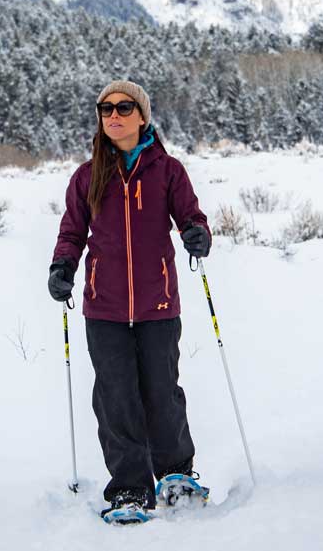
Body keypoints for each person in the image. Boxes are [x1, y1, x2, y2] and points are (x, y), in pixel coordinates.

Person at [48, 80, 212, 524]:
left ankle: (176, 475)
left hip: (159, 304)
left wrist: (199, 234)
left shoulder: (169, 170)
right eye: (105, 109)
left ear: (143, 116)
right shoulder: (86, 177)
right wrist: (62, 266)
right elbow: (72, 232)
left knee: (162, 392)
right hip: (104, 308)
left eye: (123, 107)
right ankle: (129, 491)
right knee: (116, 399)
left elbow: (191, 216)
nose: (113, 115)